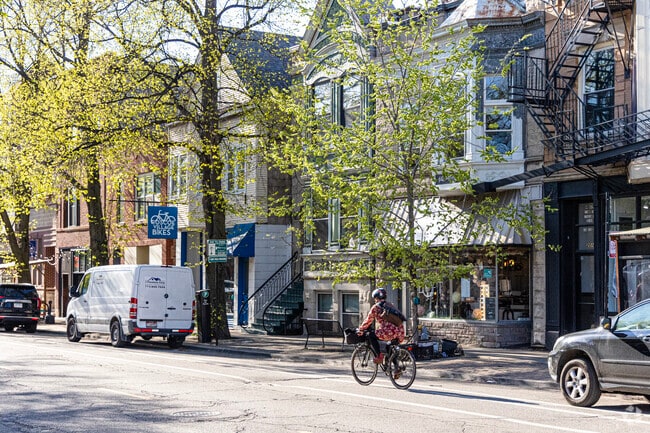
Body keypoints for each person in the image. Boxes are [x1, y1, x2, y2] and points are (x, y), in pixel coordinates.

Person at [357, 288, 406, 364]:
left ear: (376, 298)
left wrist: (361, 329)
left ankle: (379, 356)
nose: (374, 300)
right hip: (400, 332)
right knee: (389, 347)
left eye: (374, 298)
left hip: (389, 332)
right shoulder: (390, 305)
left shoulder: (376, 307)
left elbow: (368, 320)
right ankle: (397, 369)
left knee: (370, 335)